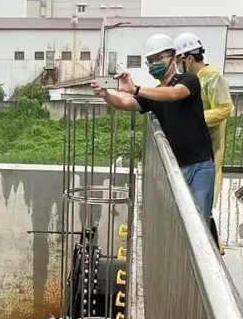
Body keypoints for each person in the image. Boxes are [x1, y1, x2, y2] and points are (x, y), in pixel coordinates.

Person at [92, 33, 215, 216]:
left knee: (200, 221)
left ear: (173, 57)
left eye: (159, 58)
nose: (155, 63)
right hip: (175, 166)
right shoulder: (154, 94)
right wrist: (107, 95)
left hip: (199, 164)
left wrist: (136, 89)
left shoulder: (188, 80)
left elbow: (174, 94)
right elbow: (125, 103)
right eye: (151, 60)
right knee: (180, 220)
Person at [175, 32, 234, 239]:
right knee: (195, 203)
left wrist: (194, 119)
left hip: (208, 148)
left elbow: (225, 108)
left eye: (179, 60)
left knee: (203, 205)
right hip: (194, 147)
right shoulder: (191, 79)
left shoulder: (213, 77)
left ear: (189, 58)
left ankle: (211, 245)